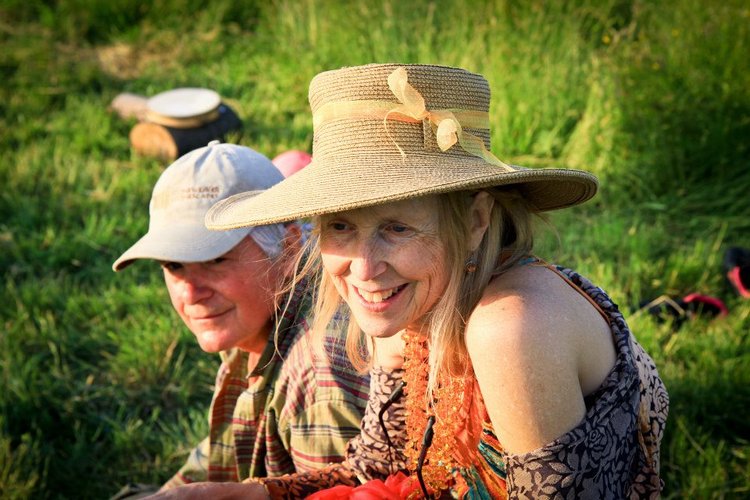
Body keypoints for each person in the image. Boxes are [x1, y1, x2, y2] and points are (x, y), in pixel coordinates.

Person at [202, 64, 669, 499]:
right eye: (340, 226)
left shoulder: (510, 327)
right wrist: (247, 493)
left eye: (397, 228)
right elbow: (375, 472)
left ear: (476, 220)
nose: (364, 269)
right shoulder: (407, 304)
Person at [112, 141, 369, 495]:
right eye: (173, 265)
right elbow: (225, 452)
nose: (191, 293)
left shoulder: (318, 381)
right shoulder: (256, 319)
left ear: (289, 248)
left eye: (215, 260)